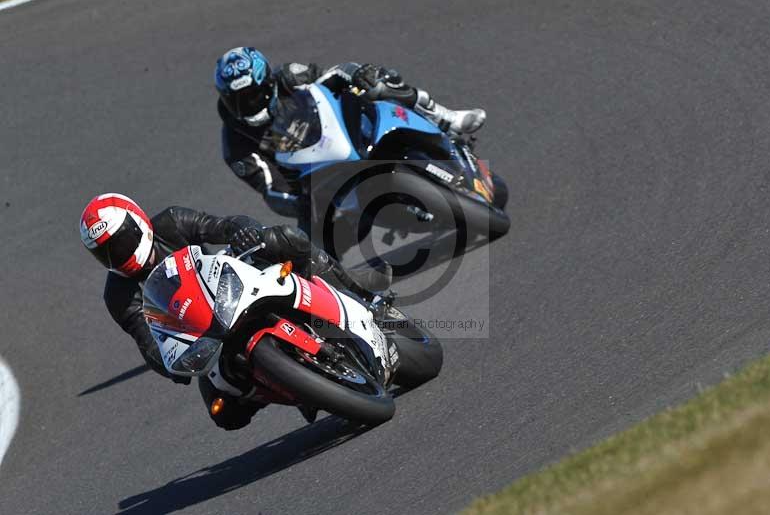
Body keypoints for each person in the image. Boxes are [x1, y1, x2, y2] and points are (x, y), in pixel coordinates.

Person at [79, 193, 390, 429]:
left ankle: (364, 296)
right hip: (206, 337)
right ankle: (294, 388)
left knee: (288, 240)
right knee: (224, 413)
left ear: (138, 224)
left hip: (234, 285)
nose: (116, 256)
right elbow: (147, 342)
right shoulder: (118, 296)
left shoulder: (170, 222)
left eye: (118, 244)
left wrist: (245, 231)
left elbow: (220, 225)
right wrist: (168, 362)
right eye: (104, 254)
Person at [214, 46, 487, 223]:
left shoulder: (289, 77)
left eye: (251, 96)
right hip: (313, 178)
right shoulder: (235, 145)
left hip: (342, 131)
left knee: (381, 84)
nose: (247, 106)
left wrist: (359, 74)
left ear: (267, 82)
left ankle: (448, 118)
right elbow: (271, 189)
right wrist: (299, 202)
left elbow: (333, 74)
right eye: (236, 100)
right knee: (309, 249)